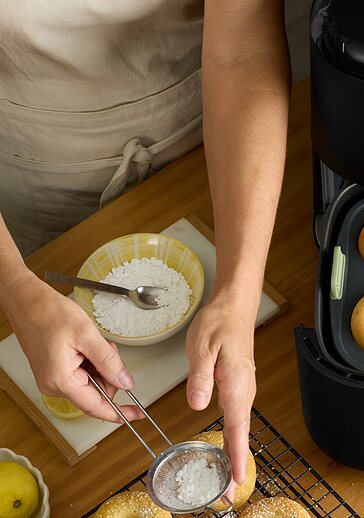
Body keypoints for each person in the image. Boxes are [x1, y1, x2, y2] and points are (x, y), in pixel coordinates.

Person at [0, 1, 291, 490]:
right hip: (39, 165)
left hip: (214, 140)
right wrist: (13, 285)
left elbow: (242, 49)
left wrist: (238, 294)